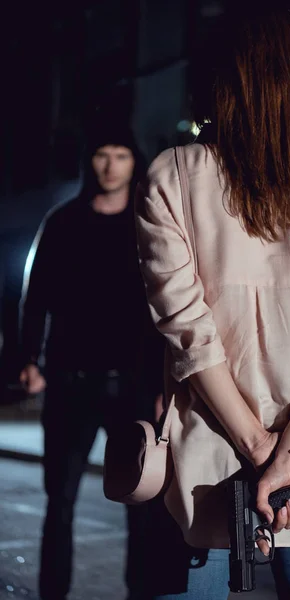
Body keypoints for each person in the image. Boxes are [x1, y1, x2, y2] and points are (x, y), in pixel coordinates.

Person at [134, 7, 290, 600]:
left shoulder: (172, 176)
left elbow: (187, 331)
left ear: (219, 77)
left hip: (204, 462)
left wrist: (256, 446)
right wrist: (289, 458)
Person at [19, 125, 164, 600]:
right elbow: (34, 296)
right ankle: (52, 594)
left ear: (133, 163)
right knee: (59, 503)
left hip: (134, 386)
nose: (110, 164)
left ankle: (141, 593)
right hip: (70, 383)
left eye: (121, 155)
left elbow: (169, 305)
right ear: (91, 162)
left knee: (142, 504)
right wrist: (27, 359)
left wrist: (168, 383)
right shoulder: (62, 222)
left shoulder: (149, 223)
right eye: (102, 154)